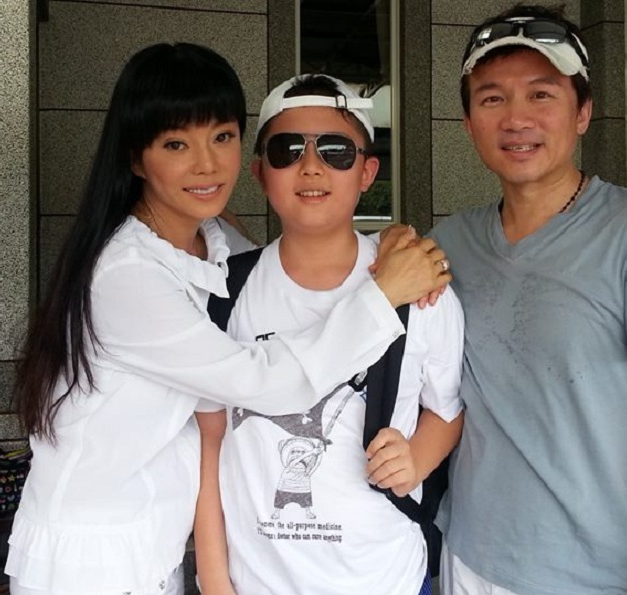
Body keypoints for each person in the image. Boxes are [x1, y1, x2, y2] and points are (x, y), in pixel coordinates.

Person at [5, 43, 451, 595]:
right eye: (176, 144)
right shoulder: (127, 275)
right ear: (136, 158)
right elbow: (264, 382)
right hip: (89, 559)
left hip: (155, 548)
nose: (207, 164)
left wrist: (390, 240)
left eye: (221, 136)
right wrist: (385, 295)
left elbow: (294, 253)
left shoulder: (212, 244)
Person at [429, 6, 627, 595]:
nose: (517, 119)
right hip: (470, 558)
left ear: (583, 113)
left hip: (594, 577)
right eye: (492, 98)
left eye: (542, 94)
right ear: (468, 123)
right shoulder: (449, 244)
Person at [194, 74, 465, 595]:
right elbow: (208, 445)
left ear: (367, 172)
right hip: (256, 582)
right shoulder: (223, 292)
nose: (312, 166)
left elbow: (447, 409)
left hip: (384, 578)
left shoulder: (420, 288)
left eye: (336, 150)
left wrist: (416, 460)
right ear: (260, 173)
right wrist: (214, 579)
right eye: (287, 150)